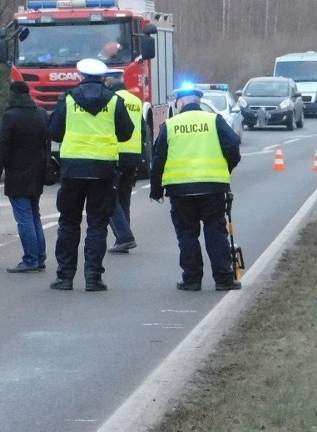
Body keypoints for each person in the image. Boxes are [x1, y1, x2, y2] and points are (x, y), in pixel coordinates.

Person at [47, 58, 134, 291]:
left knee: (68, 222)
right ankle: (93, 278)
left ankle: (65, 277)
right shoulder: (115, 101)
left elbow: (54, 131)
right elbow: (126, 133)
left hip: (73, 169)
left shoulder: (67, 99)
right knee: (97, 224)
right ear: (103, 78)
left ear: (80, 76)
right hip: (104, 170)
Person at [150, 84, 242, 291]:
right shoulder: (214, 120)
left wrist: (156, 190)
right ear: (198, 101)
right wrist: (225, 169)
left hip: (180, 191)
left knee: (187, 234)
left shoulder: (170, 125)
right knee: (215, 232)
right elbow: (233, 146)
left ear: (180, 102)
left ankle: (192, 279)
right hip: (212, 188)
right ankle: (224, 279)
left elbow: (158, 160)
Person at [0, 81, 50, 273]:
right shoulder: (40, 114)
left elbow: (1, 149)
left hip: (17, 173)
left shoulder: (10, 116)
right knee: (34, 215)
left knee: (24, 218)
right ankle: (39, 258)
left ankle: (30, 259)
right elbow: (46, 143)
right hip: (37, 172)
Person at [104, 71, 147, 254]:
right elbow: (144, 131)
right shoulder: (136, 101)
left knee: (109, 198)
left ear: (108, 81)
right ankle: (124, 238)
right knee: (124, 199)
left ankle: (124, 236)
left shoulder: (111, 100)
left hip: (116, 154)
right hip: (133, 156)